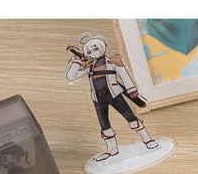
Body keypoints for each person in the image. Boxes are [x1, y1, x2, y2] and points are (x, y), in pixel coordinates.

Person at [65, 33, 158, 161]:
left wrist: (132, 90)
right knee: (104, 125)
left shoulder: (113, 62)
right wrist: (77, 61)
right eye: (89, 51)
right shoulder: (89, 67)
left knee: (130, 117)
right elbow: (71, 76)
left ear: (102, 47)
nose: (93, 52)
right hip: (98, 98)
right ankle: (112, 150)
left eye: (95, 48)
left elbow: (124, 75)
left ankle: (147, 140)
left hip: (114, 94)